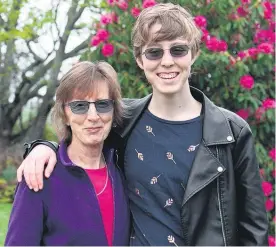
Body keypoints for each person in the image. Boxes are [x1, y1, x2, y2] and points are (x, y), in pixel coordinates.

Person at [16, 3, 268, 246]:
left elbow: (254, 229)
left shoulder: (230, 132)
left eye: (178, 50)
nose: (167, 61)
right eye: (154, 52)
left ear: (195, 53)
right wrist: (42, 147)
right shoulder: (123, 121)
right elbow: (82, 136)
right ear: (140, 59)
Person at [5, 61, 130, 246]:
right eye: (80, 106)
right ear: (65, 114)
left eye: (103, 104)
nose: (93, 116)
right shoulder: (40, 176)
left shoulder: (122, 167)